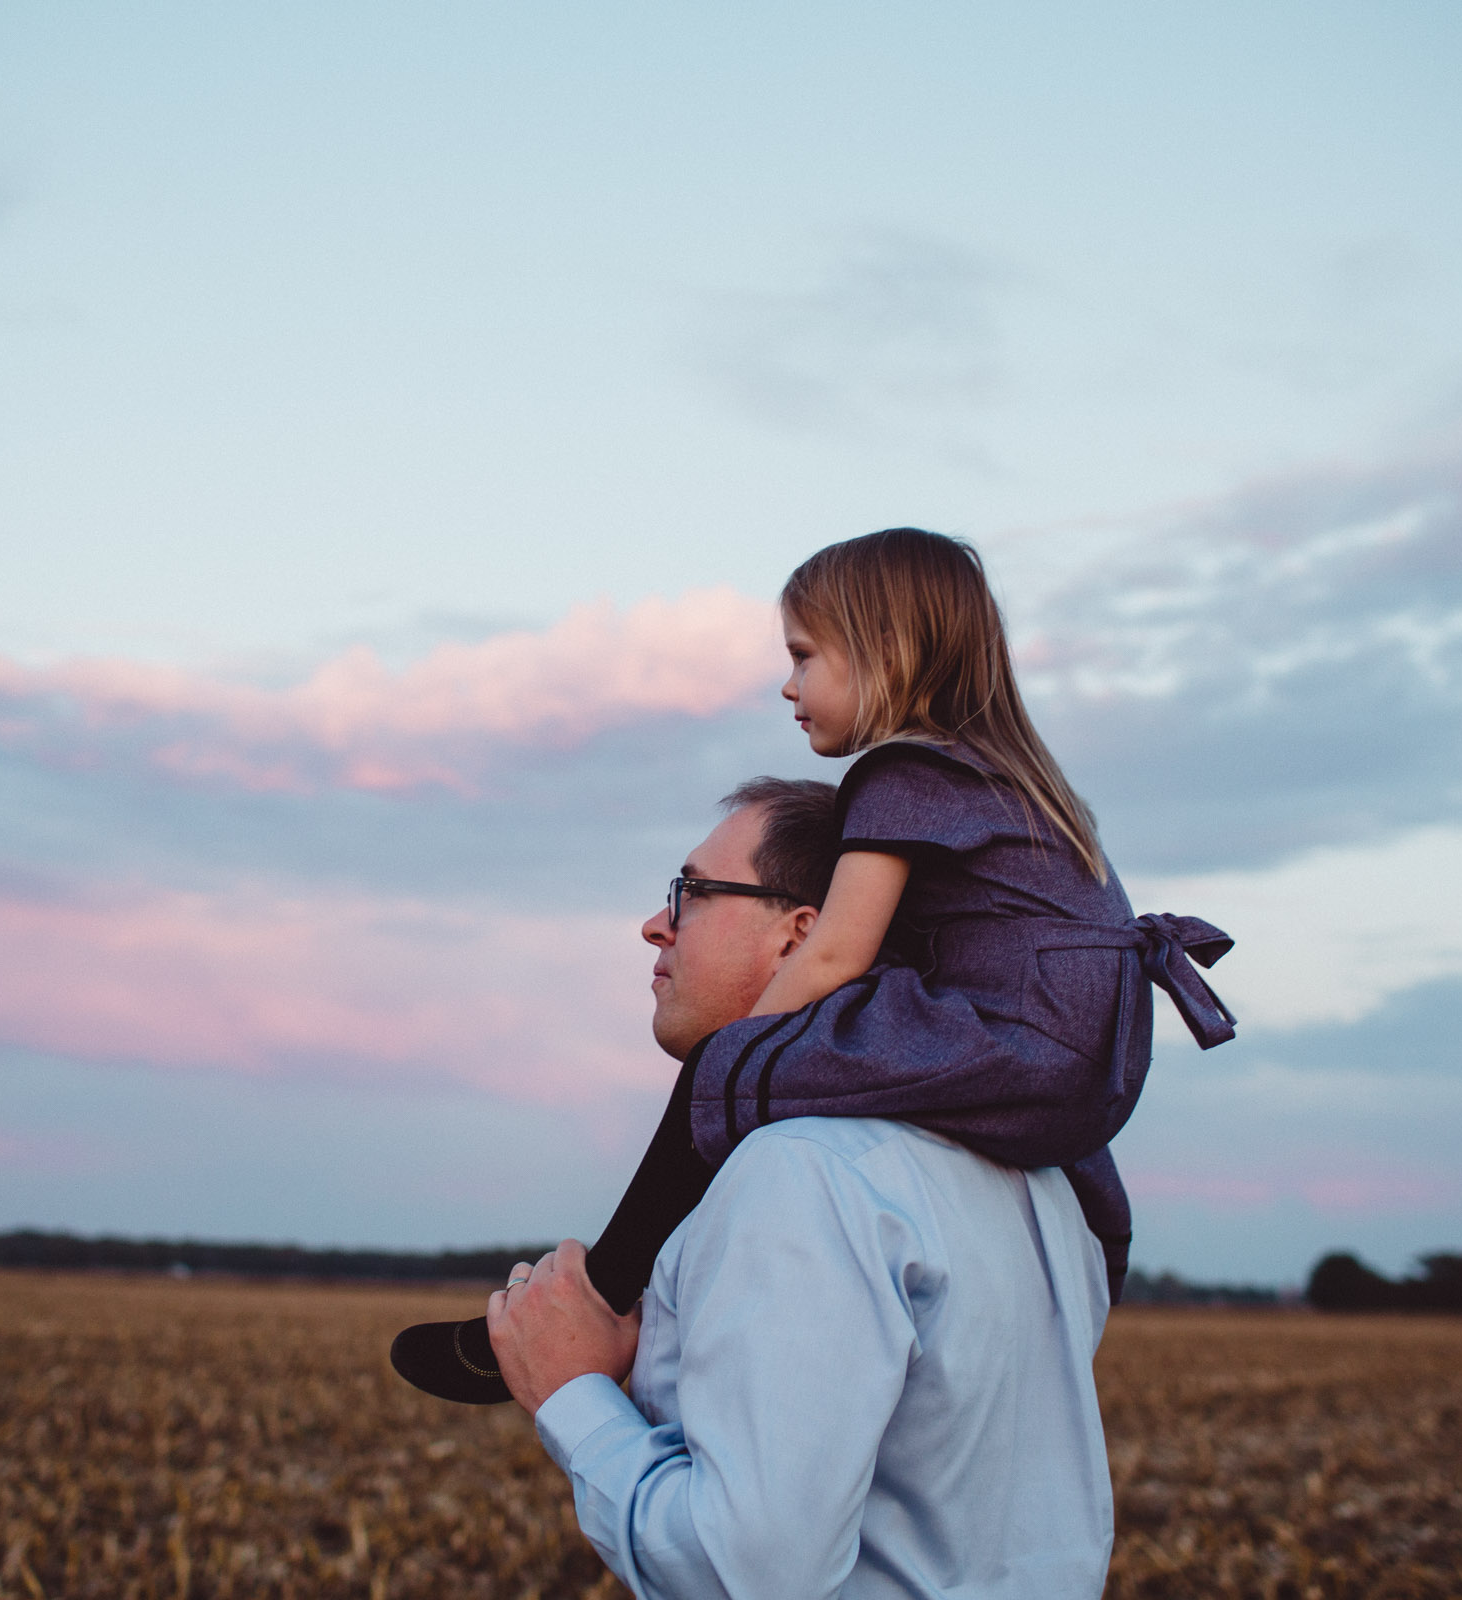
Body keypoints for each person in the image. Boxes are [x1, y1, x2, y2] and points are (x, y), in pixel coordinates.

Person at [391, 527, 1234, 1404]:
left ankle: (603, 1295)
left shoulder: (902, 774)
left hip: (1008, 1030)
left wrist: (741, 1055)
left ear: (884, 651)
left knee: (726, 1075)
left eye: (803, 654)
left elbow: (835, 951)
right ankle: (1090, 1282)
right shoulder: (1021, 783)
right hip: (1089, 1069)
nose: (788, 685)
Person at [489, 782, 1119, 1598]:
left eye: (691, 892)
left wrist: (571, 1394)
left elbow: (744, 1573)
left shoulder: (803, 1171)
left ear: (801, 934)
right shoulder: (1043, 1181)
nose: (656, 923)